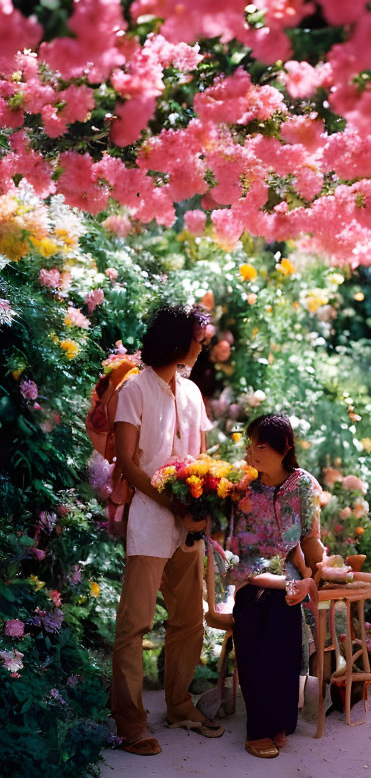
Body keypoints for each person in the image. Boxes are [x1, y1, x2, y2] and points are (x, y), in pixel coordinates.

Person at [111, 304, 220, 755]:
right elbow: (129, 466)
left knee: (189, 620)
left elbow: (204, 459)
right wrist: (173, 503)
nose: (203, 347)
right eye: (198, 339)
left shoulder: (192, 392)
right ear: (177, 340)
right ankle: (130, 722)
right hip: (151, 523)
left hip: (188, 528)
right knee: (134, 625)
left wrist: (205, 505)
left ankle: (178, 704)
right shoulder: (133, 390)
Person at [225, 414, 322, 759]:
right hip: (250, 578)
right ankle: (258, 729)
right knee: (253, 613)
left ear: (285, 448)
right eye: (250, 444)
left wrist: (317, 577)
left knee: (284, 611)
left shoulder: (303, 485)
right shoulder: (241, 488)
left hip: (291, 579)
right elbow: (236, 552)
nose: (253, 452)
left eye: (261, 445)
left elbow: (310, 539)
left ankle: (279, 719)